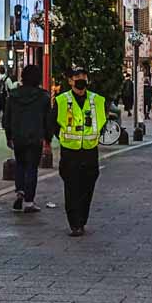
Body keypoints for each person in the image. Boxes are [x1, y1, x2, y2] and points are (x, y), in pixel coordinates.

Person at [53, 66, 105, 235]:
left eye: (83, 75)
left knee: (87, 188)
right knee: (71, 188)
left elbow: (102, 123)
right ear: (70, 81)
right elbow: (53, 123)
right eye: (77, 76)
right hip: (70, 152)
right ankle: (75, 224)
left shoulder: (97, 100)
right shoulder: (61, 100)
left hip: (90, 151)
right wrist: (63, 138)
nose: (81, 79)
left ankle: (82, 220)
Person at [4, 62, 53, 213]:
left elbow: (7, 118)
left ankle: (20, 191)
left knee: (20, 164)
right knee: (32, 167)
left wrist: (9, 136)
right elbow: (48, 120)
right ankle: (29, 202)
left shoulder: (13, 95)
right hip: (35, 137)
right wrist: (48, 138)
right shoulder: (43, 96)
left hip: (18, 136)